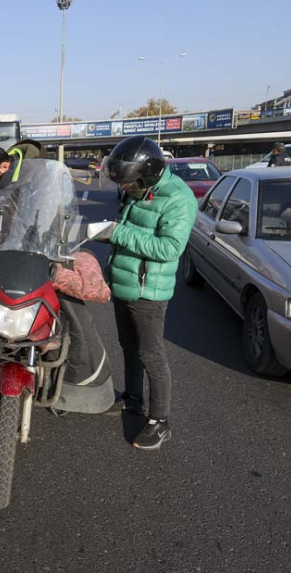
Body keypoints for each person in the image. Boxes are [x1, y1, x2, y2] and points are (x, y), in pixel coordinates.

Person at [0, 146, 114, 414]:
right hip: (4, 254)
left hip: (40, 252)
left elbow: (57, 217)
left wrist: (58, 245)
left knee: (73, 312)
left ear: (5, 167)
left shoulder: (40, 184)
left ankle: (77, 384)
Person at [97, 136, 198, 450]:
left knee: (151, 355)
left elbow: (170, 248)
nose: (125, 190)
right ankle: (132, 399)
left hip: (148, 291)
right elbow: (132, 231)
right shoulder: (139, 190)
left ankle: (160, 421)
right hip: (124, 283)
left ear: (148, 175)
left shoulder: (178, 198)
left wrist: (117, 233)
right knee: (128, 346)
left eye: (129, 184)